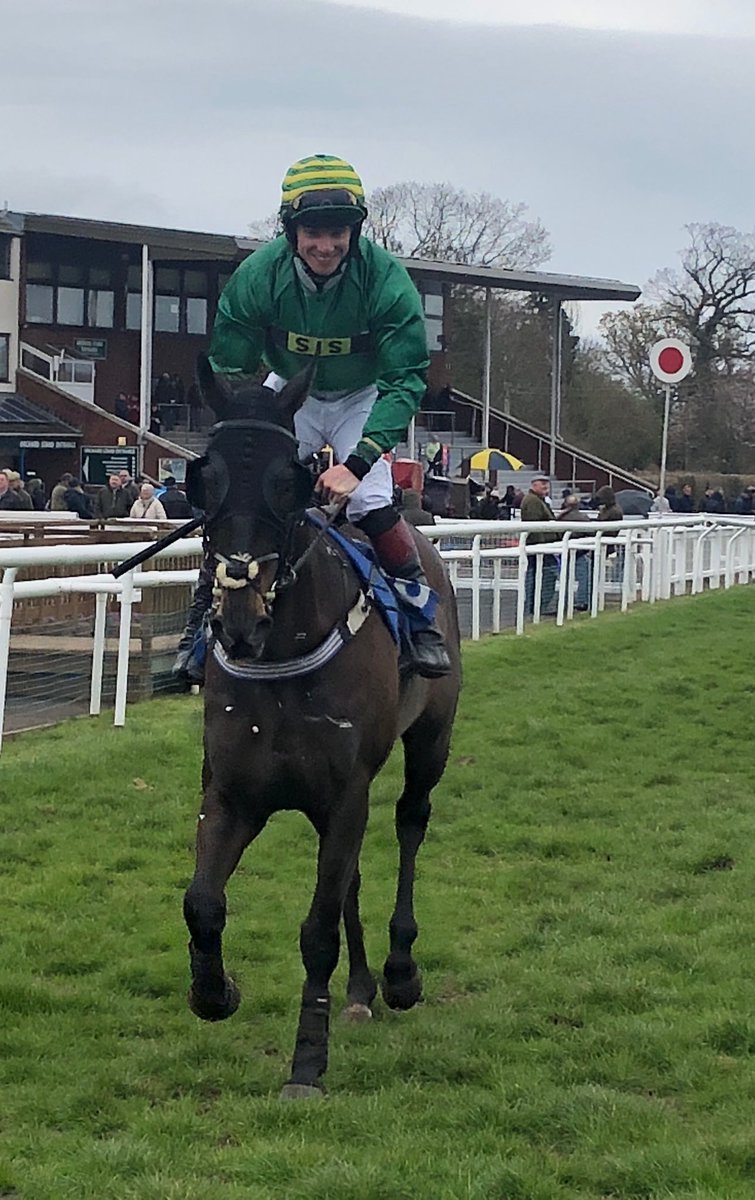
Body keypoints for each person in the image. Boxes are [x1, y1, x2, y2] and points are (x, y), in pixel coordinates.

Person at [175, 152, 450, 680]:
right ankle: (199, 626)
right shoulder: (257, 277)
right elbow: (230, 369)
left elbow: (405, 378)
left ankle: (420, 618)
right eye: (312, 233)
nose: (326, 246)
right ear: (291, 230)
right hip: (288, 392)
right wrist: (241, 432)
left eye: (338, 233)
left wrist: (358, 461)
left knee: (369, 498)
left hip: (362, 395)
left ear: (355, 231)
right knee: (246, 493)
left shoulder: (388, 282)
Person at [520, 474, 559, 616]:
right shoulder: (532, 501)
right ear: (534, 485)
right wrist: (542, 546)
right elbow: (534, 525)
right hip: (539, 547)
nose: (545, 486)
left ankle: (536, 606)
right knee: (546, 575)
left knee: (539, 575)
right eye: (542, 483)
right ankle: (538, 607)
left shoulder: (537, 500)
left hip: (540, 547)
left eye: (546, 483)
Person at [558, 493, 591, 610]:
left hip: (565, 551)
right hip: (580, 552)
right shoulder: (583, 518)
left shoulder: (561, 518)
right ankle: (583, 601)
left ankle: (564, 600)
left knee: (565, 578)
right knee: (584, 578)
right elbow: (590, 533)